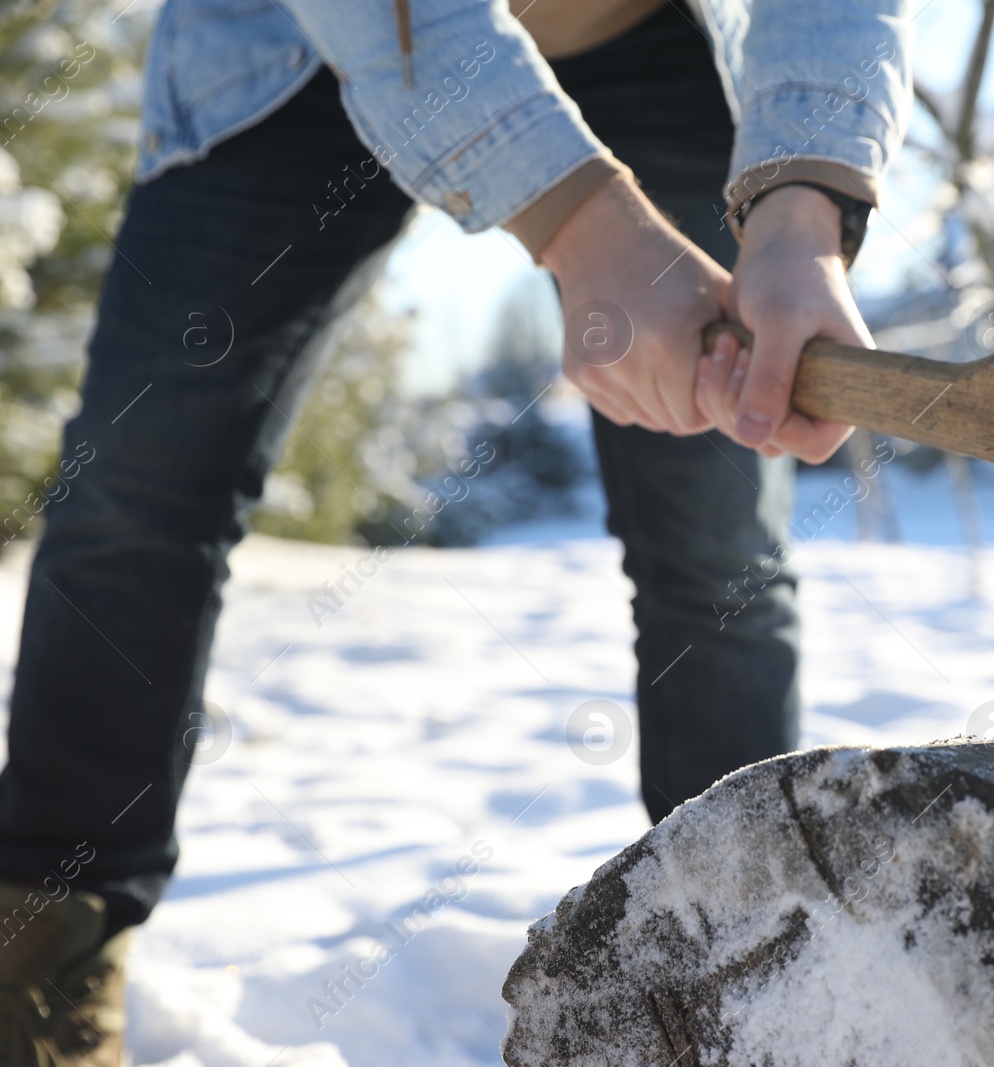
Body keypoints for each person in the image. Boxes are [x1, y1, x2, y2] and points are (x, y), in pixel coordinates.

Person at [0, 0, 911, 1061]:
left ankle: (745, 971)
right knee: (136, 488)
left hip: (658, 38)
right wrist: (580, 220)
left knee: (717, 556)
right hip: (287, 48)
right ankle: (40, 951)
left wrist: (803, 206)